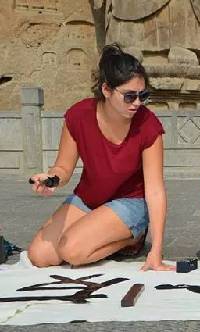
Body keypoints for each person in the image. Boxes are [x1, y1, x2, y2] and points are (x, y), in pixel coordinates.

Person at [27, 44, 173, 271]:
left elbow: (155, 190)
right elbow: (64, 167)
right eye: (129, 96)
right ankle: (107, 234)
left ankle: (132, 238)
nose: (137, 103)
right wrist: (52, 179)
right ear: (106, 89)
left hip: (130, 201)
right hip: (89, 198)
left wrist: (157, 251)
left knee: (71, 251)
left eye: (143, 95)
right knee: (39, 255)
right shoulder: (78, 116)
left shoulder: (149, 125)